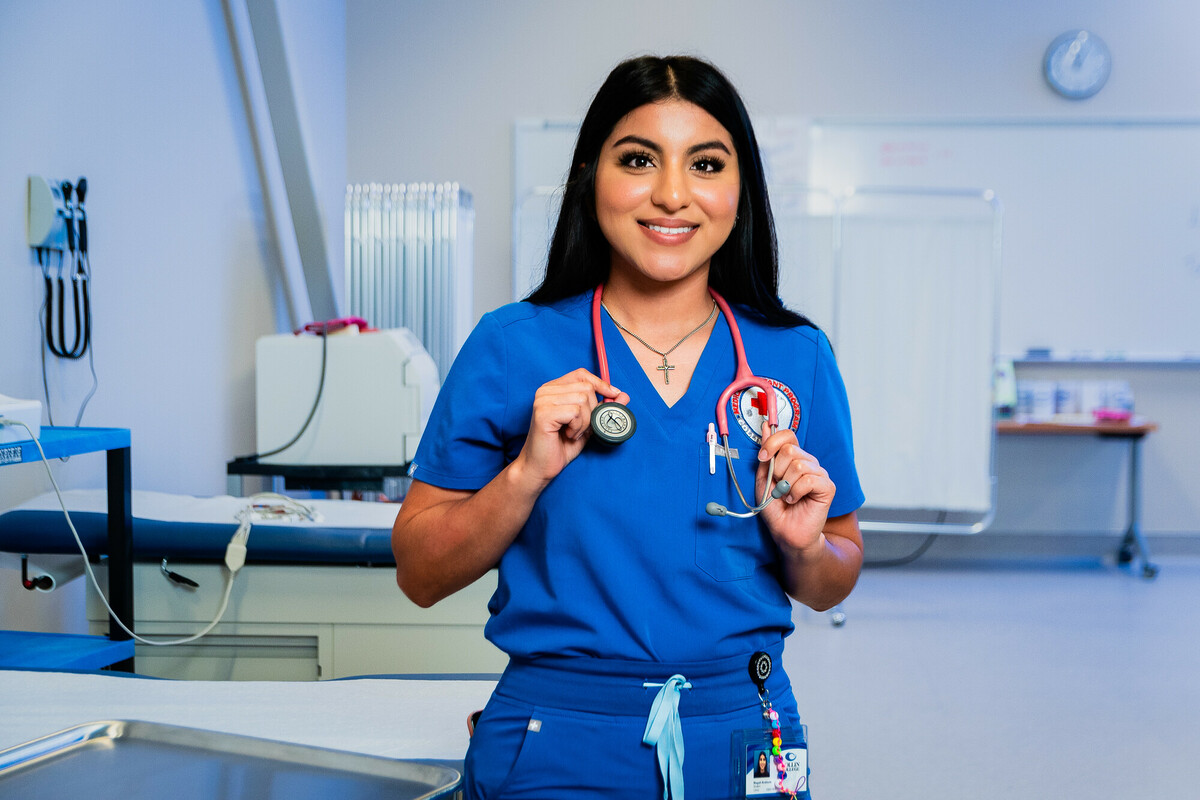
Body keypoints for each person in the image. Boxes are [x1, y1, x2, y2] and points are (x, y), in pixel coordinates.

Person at [392, 54, 864, 800]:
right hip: (557, 738)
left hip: (748, 730)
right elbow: (419, 573)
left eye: (706, 163)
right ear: (591, 176)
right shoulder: (512, 346)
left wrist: (804, 549)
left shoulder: (794, 355)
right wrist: (524, 476)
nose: (673, 194)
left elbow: (833, 579)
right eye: (639, 159)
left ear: (741, 189)